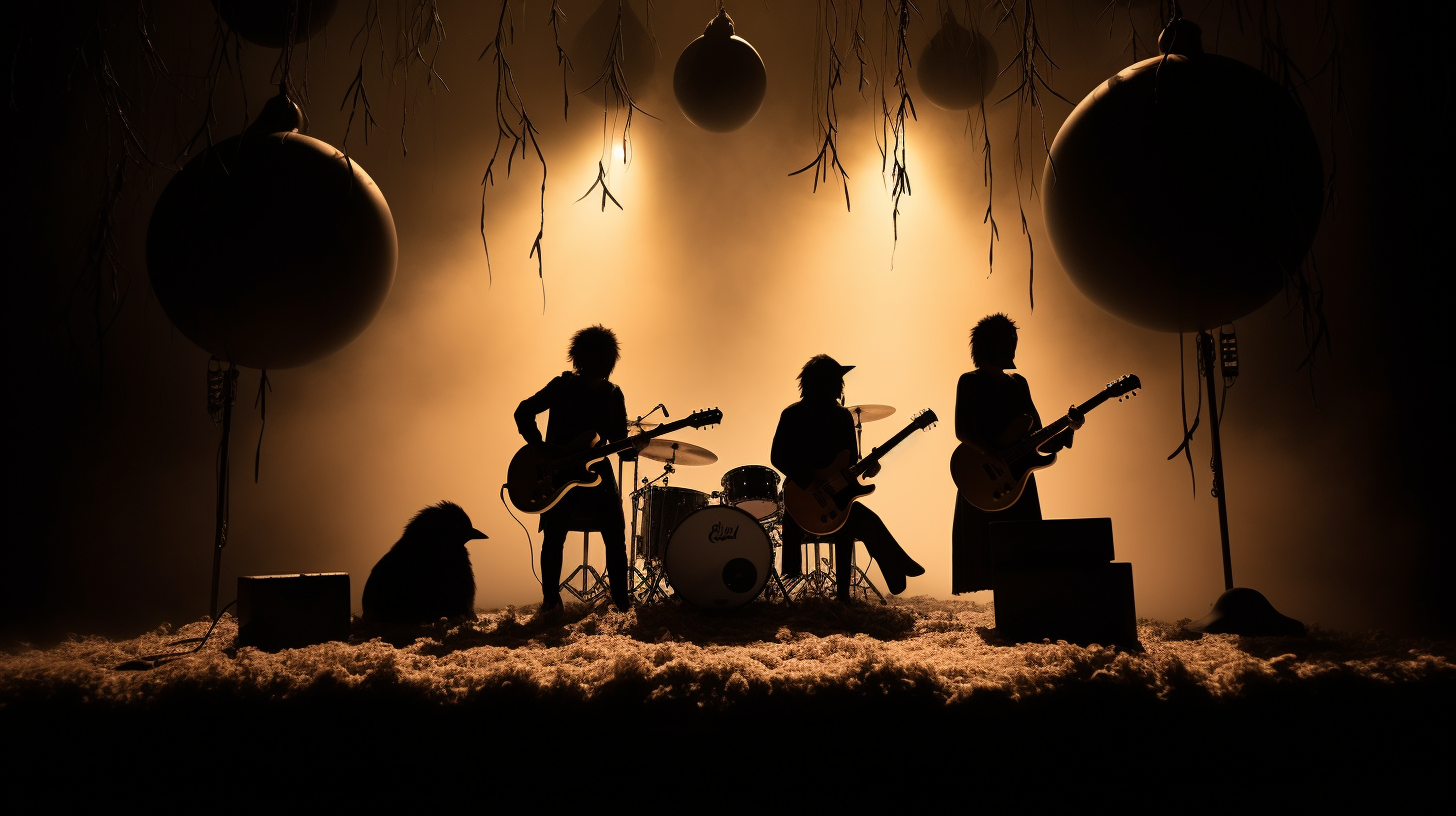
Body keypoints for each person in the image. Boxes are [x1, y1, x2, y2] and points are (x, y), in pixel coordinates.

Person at [771, 354, 924, 601]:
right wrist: (812, 484)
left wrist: (869, 467)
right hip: (801, 498)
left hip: (834, 494)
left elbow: (850, 464)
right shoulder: (794, 415)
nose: (841, 386)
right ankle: (895, 568)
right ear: (830, 383)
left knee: (862, 520)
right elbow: (778, 457)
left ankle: (886, 575)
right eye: (837, 381)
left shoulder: (841, 417)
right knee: (861, 521)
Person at [951, 314, 1081, 593]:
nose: (1012, 347)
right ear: (989, 345)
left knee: (1022, 549)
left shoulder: (1018, 383)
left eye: (1013, 341)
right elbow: (962, 431)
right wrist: (991, 452)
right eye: (1006, 341)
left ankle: (1022, 609)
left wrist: (1069, 428)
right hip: (982, 474)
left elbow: (1040, 438)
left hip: (1019, 477)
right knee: (987, 549)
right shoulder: (969, 382)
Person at [515, 326, 637, 613]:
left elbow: (620, 442)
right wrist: (541, 447)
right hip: (557, 470)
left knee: (613, 534)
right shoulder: (562, 386)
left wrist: (634, 447)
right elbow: (523, 412)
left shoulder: (611, 395)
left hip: (595, 470)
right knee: (557, 536)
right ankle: (551, 602)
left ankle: (621, 602)